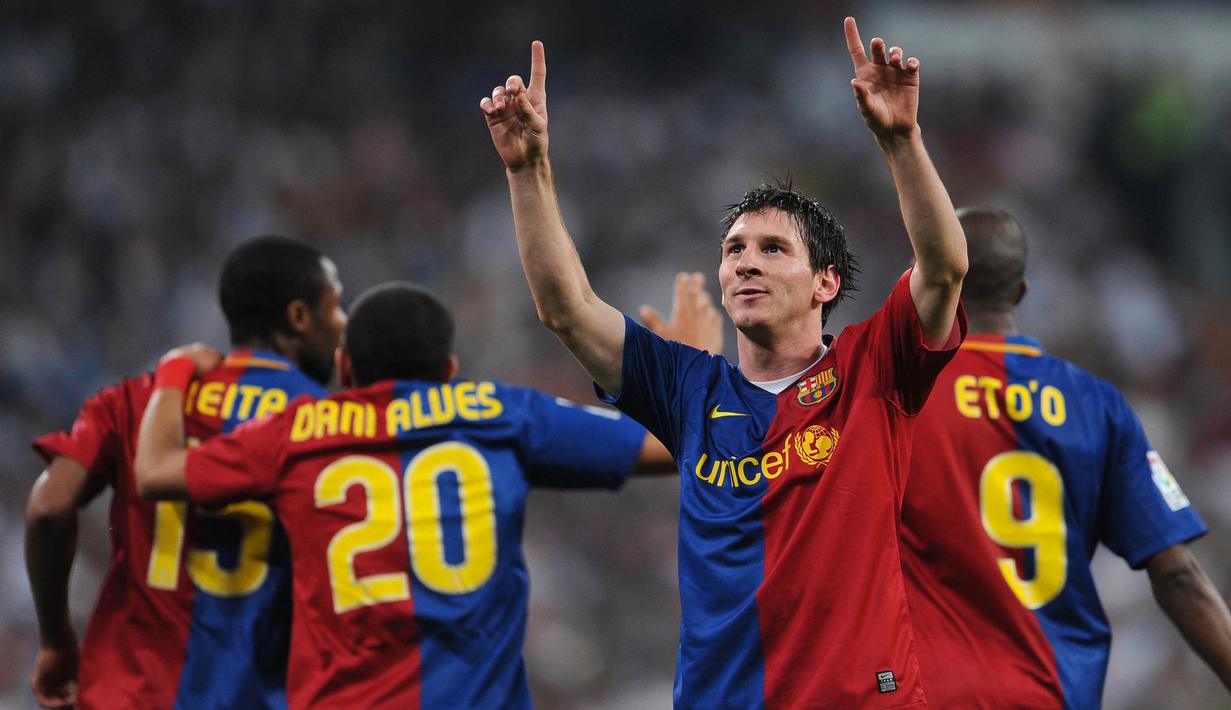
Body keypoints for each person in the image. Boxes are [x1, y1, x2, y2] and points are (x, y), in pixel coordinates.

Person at [481, 17, 968, 709]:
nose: (744, 262)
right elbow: (565, 308)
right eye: (734, 249)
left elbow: (945, 268)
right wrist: (528, 170)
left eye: (772, 249)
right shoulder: (687, 386)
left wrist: (901, 141)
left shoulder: (873, 370)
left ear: (824, 283)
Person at [132, 278, 720, 709]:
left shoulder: (294, 432)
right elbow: (681, 444)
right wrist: (684, 367)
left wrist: (176, 370)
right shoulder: (499, 412)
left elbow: (155, 472)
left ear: (345, 368)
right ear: (448, 369)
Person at [899, 207, 1231, 708]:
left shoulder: (896, 399)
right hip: (1055, 691)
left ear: (928, 281)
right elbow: (1178, 574)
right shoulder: (1099, 406)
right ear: (1022, 293)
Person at [25, 235, 347, 709]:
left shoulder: (141, 399)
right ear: (299, 318)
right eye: (336, 308)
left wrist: (56, 641)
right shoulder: (332, 423)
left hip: (130, 695)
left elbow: (49, 507)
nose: (342, 326)